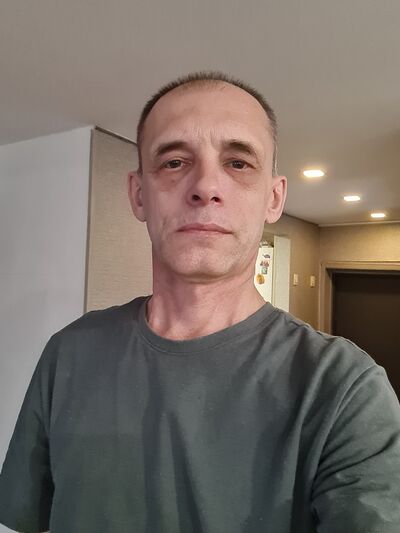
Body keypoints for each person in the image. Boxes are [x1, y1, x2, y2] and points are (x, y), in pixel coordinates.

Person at [0, 72, 399, 533]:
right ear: (138, 195)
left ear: (273, 198)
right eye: (174, 162)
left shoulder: (345, 390)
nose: (205, 186)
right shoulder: (68, 352)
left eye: (238, 163)